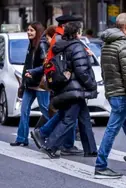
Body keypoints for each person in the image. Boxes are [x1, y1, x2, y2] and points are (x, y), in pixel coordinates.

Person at [94, 13, 126, 179]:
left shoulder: (107, 44)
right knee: (112, 129)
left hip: (113, 92)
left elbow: (104, 71)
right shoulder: (125, 45)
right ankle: (100, 166)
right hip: (122, 93)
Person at [40, 21, 98, 158]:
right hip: (75, 89)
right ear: (77, 33)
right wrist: (91, 85)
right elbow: (82, 70)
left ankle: (91, 149)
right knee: (68, 120)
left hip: (66, 88)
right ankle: (50, 146)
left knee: (84, 118)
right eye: (80, 30)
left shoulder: (61, 45)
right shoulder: (76, 47)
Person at [32, 15, 85, 156]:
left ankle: (66, 143)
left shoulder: (60, 37)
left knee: (66, 112)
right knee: (65, 112)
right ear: (67, 25)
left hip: (61, 79)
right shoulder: (61, 38)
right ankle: (44, 134)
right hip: (61, 80)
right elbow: (61, 59)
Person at [10, 22, 50, 147]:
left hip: (40, 85)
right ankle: (21, 138)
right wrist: (23, 82)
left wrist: (33, 74)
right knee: (24, 111)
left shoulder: (42, 45)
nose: (28, 32)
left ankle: (56, 135)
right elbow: (27, 65)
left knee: (46, 111)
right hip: (29, 84)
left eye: (31, 30)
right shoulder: (31, 45)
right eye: (28, 30)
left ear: (37, 31)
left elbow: (45, 65)